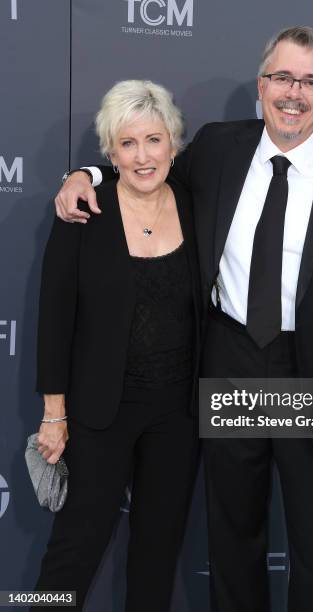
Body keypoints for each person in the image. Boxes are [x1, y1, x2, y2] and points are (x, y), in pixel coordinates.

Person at [54, 26, 313, 612]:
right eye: (283, 78)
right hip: (230, 361)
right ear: (261, 86)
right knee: (233, 539)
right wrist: (86, 175)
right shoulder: (218, 149)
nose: (294, 93)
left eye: (310, 81)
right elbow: (146, 169)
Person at [35, 79, 201, 611]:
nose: (143, 156)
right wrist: (54, 414)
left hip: (178, 415)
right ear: (110, 152)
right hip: (100, 413)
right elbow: (55, 318)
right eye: (127, 144)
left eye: (154, 140)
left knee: (157, 553)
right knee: (73, 550)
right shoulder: (84, 211)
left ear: (173, 143)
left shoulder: (199, 204)